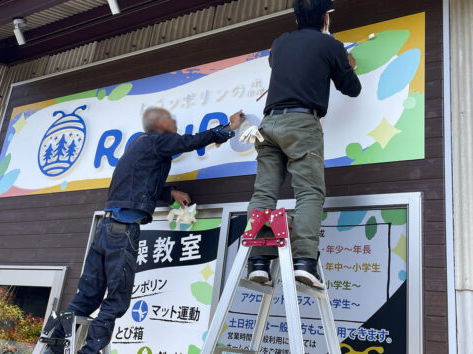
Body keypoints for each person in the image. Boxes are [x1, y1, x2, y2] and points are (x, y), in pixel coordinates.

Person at [47, 107, 245, 354]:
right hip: (123, 230)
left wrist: (169, 192)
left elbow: (140, 183)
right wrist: (227, 128)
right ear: (159, 125)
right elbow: (189, 142)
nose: (176, 128)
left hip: (105, 229)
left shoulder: (139, 147)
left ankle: (51, 348)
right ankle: (89, 351)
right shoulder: (156, 140)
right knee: (117, 299)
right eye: (172, 123)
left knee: (86, 296)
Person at [246, 0, 361, 289]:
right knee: (309, 192)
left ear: (297, 18)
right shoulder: (330, 45)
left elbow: (278, 63)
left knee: (263, 194)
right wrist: (348, 64)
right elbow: (352, 88)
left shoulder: (280, 43)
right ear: (325, 18)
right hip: (300, 124)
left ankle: (258, 263)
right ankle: (304, 264)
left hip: (268, 124)